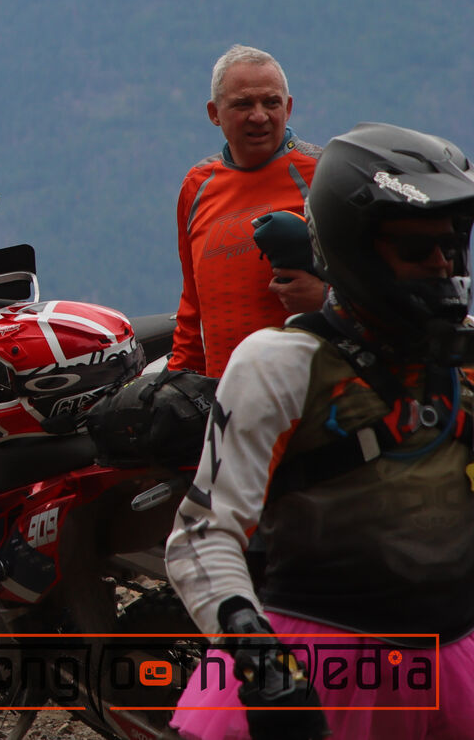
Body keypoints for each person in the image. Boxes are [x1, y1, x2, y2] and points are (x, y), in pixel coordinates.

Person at [164, 123, 474, 740]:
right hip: (319, 664)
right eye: (417, 248)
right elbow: (202, 533)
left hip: (455, 659)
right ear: (355, 251)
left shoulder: (462, 360)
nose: (442, 265)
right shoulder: (281, 364)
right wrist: (254, 652)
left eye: (452, 244)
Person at [169, 45, 325, 377]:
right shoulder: (197, 187)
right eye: (243, 104)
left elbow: (383, 291)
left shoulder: (325, 175)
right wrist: (177, 379)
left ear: (289, 107)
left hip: (310, 396)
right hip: (221, 397)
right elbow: (192, 308)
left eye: (271, 103)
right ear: (214, 113)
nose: (259, 116)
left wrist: (325, 299)